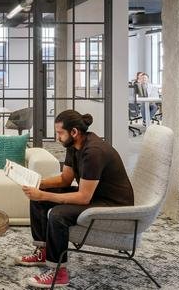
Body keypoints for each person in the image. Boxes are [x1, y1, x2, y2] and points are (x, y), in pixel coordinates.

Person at [17, 110, 134, 288]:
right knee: (38, 199)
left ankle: (59, 273)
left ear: (74, 132)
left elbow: (83, 197)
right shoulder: (73, 145)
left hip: (113, 203)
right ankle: (43, 251)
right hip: (94, 195)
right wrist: (38, 183)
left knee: (57, 214)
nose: (57, 138)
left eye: (59, 133)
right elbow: (65, 179)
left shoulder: (93, 151)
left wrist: (44, 194)